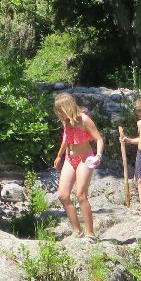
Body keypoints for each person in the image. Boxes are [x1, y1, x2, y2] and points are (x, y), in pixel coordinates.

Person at [51, 92, 105, 240]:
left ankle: (90, 233)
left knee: (81, 195)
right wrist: (59, 155)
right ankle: (77, 230)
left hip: (85, 158)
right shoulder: (65, 121)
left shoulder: (85, 120)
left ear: (67, 108)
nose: (59, 114)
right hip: (70, 158)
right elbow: (66, 139)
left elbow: (99, 139)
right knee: (62, 195)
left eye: (60, 110)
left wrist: (98, 156)